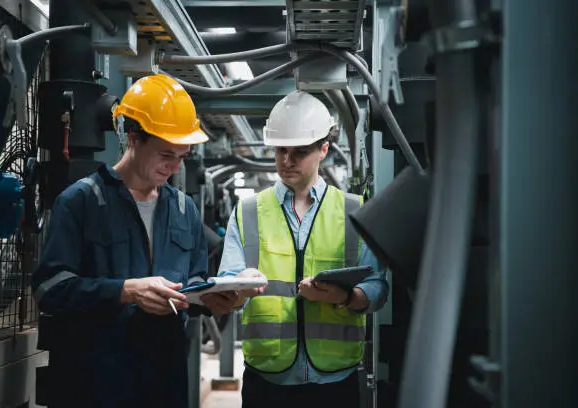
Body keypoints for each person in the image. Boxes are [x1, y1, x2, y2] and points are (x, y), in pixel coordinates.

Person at [31, 74, 226, 408]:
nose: (175, 166)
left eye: (182, 156)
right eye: (167, 154)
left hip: (164, 383)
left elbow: (192, 280)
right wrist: (124, 291)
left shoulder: (184, 210)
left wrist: (210, 299)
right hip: (96, 384)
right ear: (133, 138)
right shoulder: (82, 201)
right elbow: (50, 289)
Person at [201, 90, 390, 408]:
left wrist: (344, 297)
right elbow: (227, 285)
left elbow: (377, 288)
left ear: (323, 149)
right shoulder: (248, 212)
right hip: (267, 380)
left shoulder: (354, 211)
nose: (286, 161)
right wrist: (236, 290)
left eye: (299, 152)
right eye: (280, 150)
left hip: (334, 381)